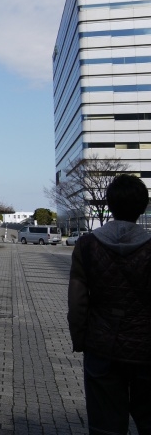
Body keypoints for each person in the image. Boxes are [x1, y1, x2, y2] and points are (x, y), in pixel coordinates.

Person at [68, 174, 151, 435]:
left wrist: (80, 339)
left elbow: (77, 300)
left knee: (105, 426)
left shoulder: (87, 245)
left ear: (110, 204)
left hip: (102, 345)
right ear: (143, 206)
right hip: (147, 347)